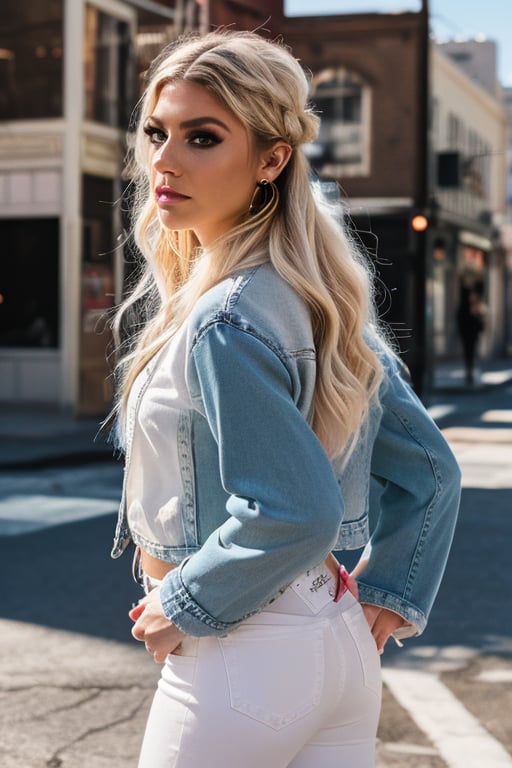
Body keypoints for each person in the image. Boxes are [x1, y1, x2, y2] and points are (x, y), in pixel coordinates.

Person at [107, 29, 461, 768]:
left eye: (202, 137)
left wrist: (183, 603)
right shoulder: (320, 301)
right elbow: (431, 471)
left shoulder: (224, 317)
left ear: (273, 159)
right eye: (156, 132)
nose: (164, 160)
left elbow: (295, 510)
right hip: (334, 645)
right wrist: (390, 587)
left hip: (241, 653)